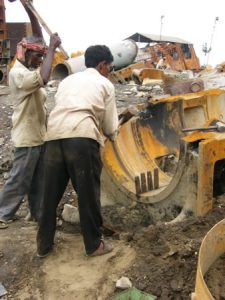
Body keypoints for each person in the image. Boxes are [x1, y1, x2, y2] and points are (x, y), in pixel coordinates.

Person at [37, 45, 119, 258]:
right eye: (109, 67)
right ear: (102, 65)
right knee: (88, 193)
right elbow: (110, 127)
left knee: (50, 195)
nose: (109, 71)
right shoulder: (104, 84)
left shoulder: (67, 81)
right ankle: (94, 245)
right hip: (82, 138)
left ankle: (43, 245)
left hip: (54, 136)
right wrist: (114, 136)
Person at [0, 0, 61, 228]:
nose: (39, 61)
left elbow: (37, 37)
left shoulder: (28, 65)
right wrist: (53, 50)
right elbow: (44, 78)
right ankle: (3, 213)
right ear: (24, 53)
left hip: (38, 135)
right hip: (27, 137)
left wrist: (29, 7)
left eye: (41, 57)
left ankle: (37, 213)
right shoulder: (18, 74)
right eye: (36, 57)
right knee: (20, 178)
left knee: (39, 180)